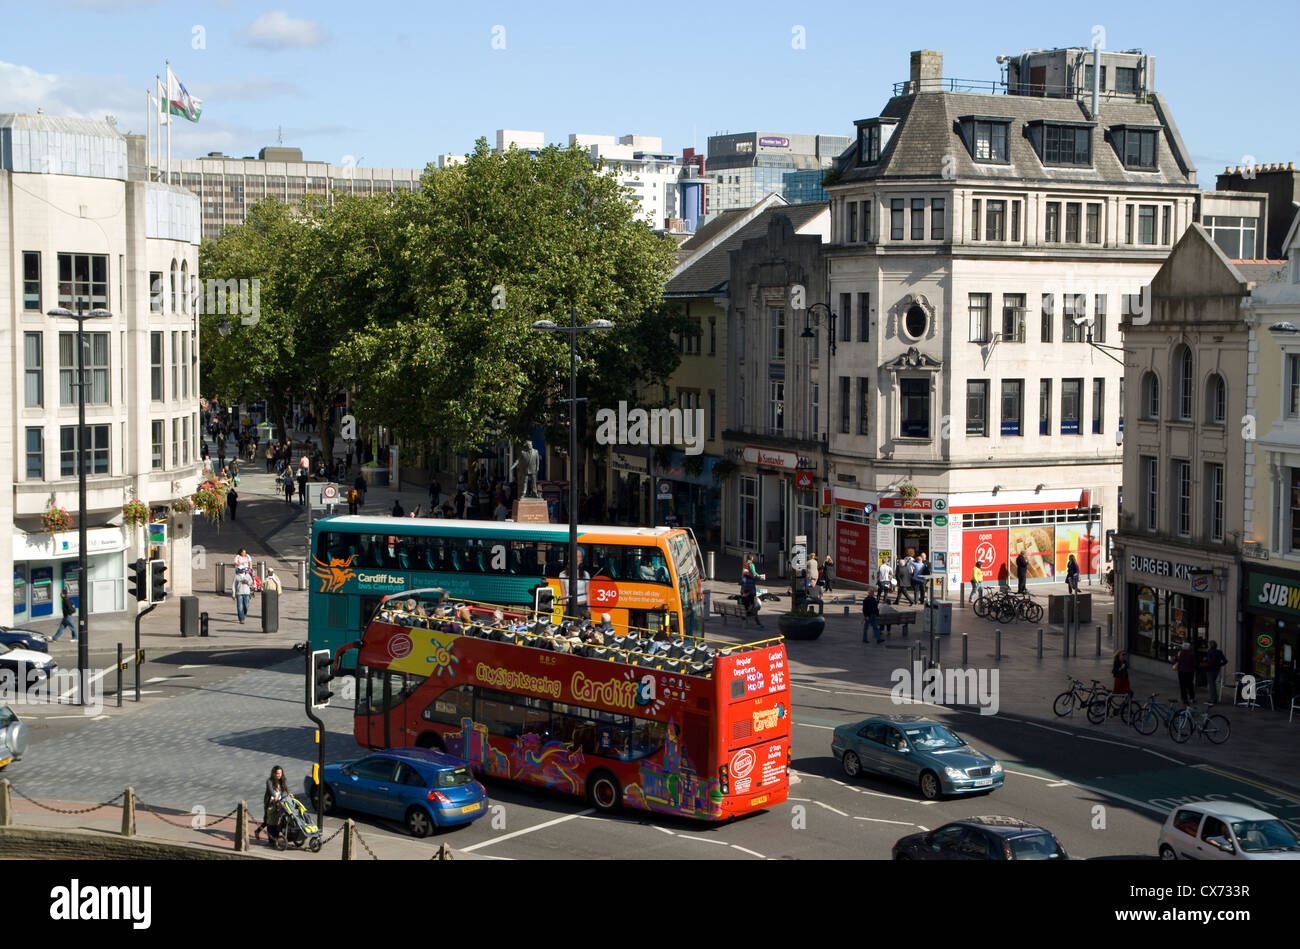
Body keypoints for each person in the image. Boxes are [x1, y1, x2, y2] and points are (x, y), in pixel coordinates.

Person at [254, 765, 289, 842]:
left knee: (273, 819)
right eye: (277, 773)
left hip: (278, 803)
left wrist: (289, 794)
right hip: (270, 803)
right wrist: (274, 796)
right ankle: (269, 836)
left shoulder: (282, 780)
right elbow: (270, 790)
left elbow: (285, 789)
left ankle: (260, 832)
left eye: (280, 773)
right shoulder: (269, 781)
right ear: (274, 774)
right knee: (268, 820)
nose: (279, 775)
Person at [1203, 640, 1228, 705]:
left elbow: (1209, 662)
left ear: (1210, 645)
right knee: (1212, 684)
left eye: (1208, 644)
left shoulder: (1210, 652)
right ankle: (1214, 698)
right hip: (1216, 669)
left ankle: (1213, 699)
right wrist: (1219, 664)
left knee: (1212, 685)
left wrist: (1205, 662)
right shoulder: (1219, 652)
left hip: (1210, 669)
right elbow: (1225, 661)